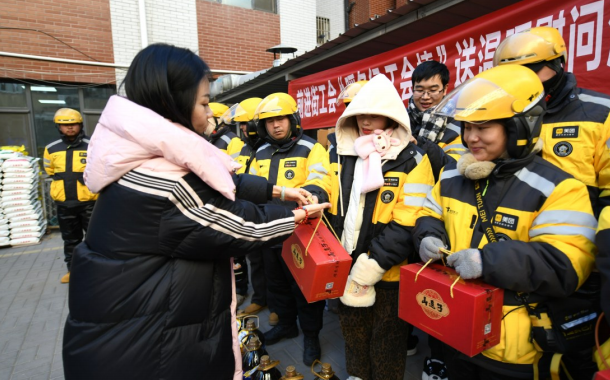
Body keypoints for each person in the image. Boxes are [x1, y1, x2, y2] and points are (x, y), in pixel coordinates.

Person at [61, 43, 329, 380]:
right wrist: (298, 214)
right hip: (146, 349)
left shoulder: (140, 153)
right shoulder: (165, 183)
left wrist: (280, 191)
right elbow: (244, 226)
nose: (210, 114)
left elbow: (224, 177)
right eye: (204, 103)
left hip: (142, 327)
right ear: (172, 101)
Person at [413, 64, 597, 379]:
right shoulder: (452, 174)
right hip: (454, 330)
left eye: (482, 127)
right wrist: (427, 236)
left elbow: (566, 264)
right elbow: (428, 214)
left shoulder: (558, 187)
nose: (470, 137)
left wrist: (488, 261)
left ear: (518, 127)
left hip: (512, 350)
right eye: (466, 126)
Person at [328, 73, 435, 380]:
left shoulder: (414, 159)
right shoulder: (341, 152)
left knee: (387, 345)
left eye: (374, 114)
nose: (365, 121)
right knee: (353, 339)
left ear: (391, 115)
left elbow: (410, 217)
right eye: (361, 113)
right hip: (345, 266)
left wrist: (373, 263)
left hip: (388, 273)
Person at [493, 26, 610, 218]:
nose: (523, 79)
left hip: (578, 234)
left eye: (531, 70)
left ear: (557, 63)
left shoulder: (601, 112)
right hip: (515, 236)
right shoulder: (502, 112)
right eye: (513, 74)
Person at [250, 92, 332, 366]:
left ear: (293, 119)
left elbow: (321, 181)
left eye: (281, 118)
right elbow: (250, 187)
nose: (276, 125)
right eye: (270, 121)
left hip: (301, 233)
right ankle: (286, 324)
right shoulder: (259, 152)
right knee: (277, 286)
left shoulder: (311, 148)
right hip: (269, 232)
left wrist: (307, 196)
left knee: (305, 290)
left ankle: (311, 335)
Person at [43, 108, 98, 284]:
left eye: (73, 124)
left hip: (89, 202)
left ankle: (99, 270)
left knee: (95, 238)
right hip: (65, 204)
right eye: (64, 125)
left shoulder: (92, 144)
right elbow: (49, 170)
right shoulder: (51, 148)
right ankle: (72, 270)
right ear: (58, 127)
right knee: (70, 240)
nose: (69, 128)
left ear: (80, 124)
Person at [232, 97, 272, 316]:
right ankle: (260, 298)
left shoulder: (268, 148)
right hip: (248, 212)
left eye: (249, 123)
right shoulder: (244, 148)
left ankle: (275, 305)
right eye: (243, 125)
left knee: (273, 266)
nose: (246, 129)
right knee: (255, 260)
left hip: (268, 212)